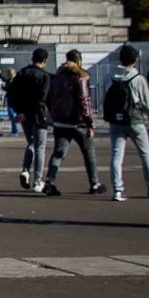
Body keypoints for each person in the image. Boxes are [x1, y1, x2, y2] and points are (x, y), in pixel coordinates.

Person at [102, 44, 149, 203]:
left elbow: (105, 98)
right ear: (135, 60)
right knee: (145, 154)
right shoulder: (138, 79)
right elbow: (148, 102)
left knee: (116, 155)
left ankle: (118, 189)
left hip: (116, 121)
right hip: (135, 120)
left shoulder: (111, 76)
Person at [41, 49, 101, 196]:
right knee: (88, 153)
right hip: (78, 122)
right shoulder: (81, 77)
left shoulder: (57, 77)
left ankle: (50, 182)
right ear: (79, 61)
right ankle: (94, 183)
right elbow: (84, 100)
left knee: (58, 153)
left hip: (61, 121)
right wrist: (90, 122)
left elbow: (51, 98)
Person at [8, 49, 52, 190]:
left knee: (31, 143)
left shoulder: (21, 74)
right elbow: (43, 98)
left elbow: (12, 93)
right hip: (39, 114)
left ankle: (26, 169)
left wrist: (20, 111)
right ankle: (37, 180)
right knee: (40, 147)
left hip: (24, 114)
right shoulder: (44, 76)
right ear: (44, 61)